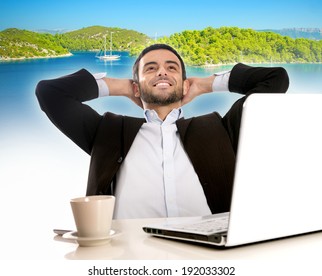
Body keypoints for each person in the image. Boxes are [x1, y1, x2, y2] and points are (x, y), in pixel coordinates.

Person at [36, 44, 289, 219]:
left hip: (211, 259)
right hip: (128, 261)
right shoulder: (108, 132)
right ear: (136, 87)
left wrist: (204, 84)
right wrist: (122, 87)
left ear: (185, 83)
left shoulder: (220, 129)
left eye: (172, 68)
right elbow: (50, 93)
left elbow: (275, 80)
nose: (162, 71)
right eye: (150, 68)